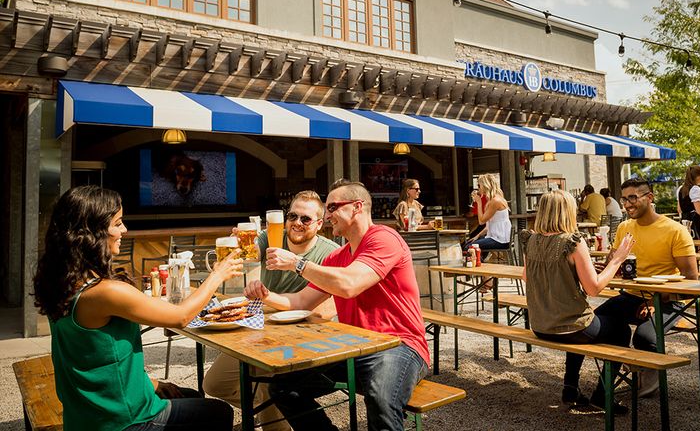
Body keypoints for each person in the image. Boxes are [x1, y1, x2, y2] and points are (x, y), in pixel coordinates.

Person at [32, 186, 241, 431]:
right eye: (117, 223)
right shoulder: (106, 292)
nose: (124, 230)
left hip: (85, 417)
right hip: (124, 421)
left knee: (189, 395)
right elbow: (181, 317)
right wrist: (217, 275)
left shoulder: (62, 285)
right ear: (93, 232)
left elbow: (96, 359)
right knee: (219, 413)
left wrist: (151, 384)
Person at [246, 179, 429, 431]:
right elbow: (301, 301)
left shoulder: (384, 238)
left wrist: (298, 264)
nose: (327, 215)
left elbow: (350, 284)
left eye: (332, 207)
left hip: (399, 345)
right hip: (354, 347)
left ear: (357, 207)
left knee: (380, 398)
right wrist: (264, 295)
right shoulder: (336, 257)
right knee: (284, 387)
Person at [203, 191, 339, 430]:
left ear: (319, 224)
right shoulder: (271, 237)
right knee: (214, 385)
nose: (297, 223)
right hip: (260, 325)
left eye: (305, 219)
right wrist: (238, 247)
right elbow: (251, 253)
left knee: (267, 381)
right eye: (292, 216)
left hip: (301, 333)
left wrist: (269, 297)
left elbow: (327, 310)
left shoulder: (330, 253)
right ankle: (270, 409)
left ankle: (274, 420)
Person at [521, 190, 635, 413]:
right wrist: (617, 260)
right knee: (620, 330)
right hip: (570, 326)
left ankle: (571, 389)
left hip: (540, 326)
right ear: (568, 212)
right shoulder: (573, 241)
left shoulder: (530, 240)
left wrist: (568, 272)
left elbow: (526, 276)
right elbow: (593, 288)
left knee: (588, 322)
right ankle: (602, 395)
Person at [595, 178, 698, 398]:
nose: (627, 204)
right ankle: (619, 372)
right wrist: (607, 265)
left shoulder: (675, 230)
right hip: (632, 295)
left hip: (668, 299)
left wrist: (656, 300)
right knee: (593, 322)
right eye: (624, 199)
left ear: (649, 197)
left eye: (633, 197)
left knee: (644, 337)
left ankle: (648, 378)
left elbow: (691, 279)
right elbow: (614, 263)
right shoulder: (624, 227)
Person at [464, 173, 512, 251]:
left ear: (485, 186)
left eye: (479, 186)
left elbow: (481, 222)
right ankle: (481, 258)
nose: (478, 188)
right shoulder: (493, 199)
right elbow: (488, 226)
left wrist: (479, 202)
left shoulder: (495, 201)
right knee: (469, 243)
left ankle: (479, 259)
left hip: (500, 240)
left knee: (468, 247)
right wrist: (477, 236)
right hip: (496, 237)